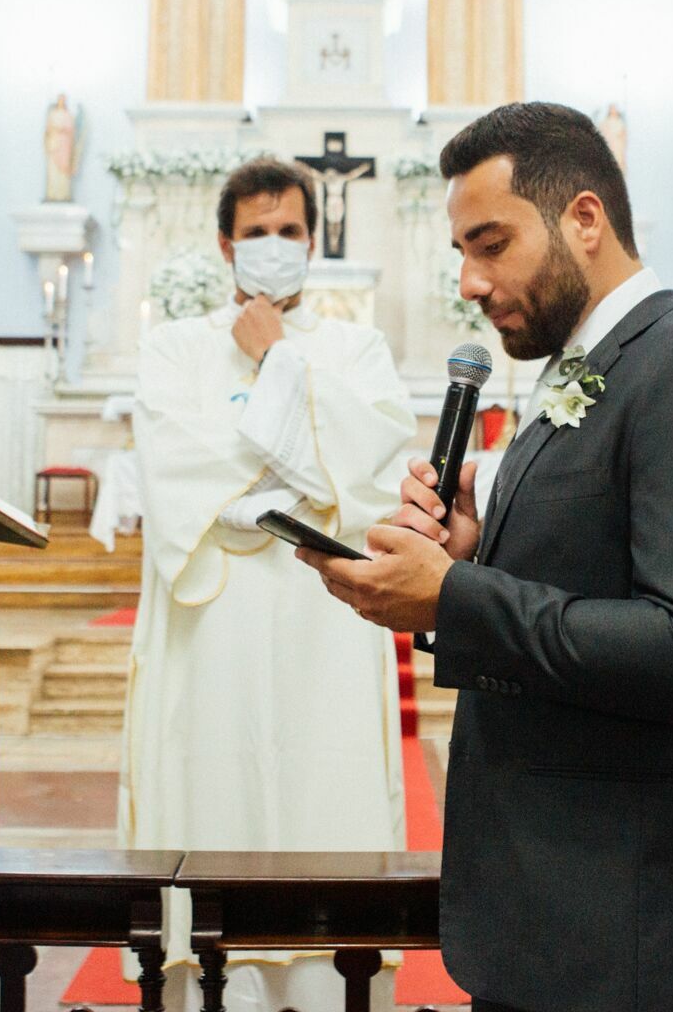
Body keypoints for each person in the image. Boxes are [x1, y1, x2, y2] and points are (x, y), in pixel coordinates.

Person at [299, 102, 673, 1012]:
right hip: (547, 918)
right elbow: (580, 581)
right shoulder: (577, 375)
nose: (468, 281)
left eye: (489, 244)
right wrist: (471, 554)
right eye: (460, 251)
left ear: (583, 217)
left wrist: (456, 597)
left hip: (635, 941)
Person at [120, 157, 414, 1012]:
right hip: (212, 626)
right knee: (215, 795)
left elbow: (374, 468)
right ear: (225, 244)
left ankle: (331, 986)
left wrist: (277, 364)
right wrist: (301, 464)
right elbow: (176, 460)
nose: (275, 247)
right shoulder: (175, 348)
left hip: (324, 614)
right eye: (258, 233)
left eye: (291, 232)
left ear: (314, 242)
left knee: (327, 800)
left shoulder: (355, 348)